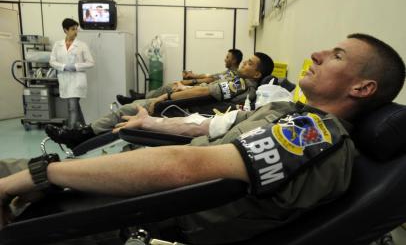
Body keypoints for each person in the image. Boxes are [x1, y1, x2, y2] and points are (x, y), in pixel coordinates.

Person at [1, 34, 404, 244]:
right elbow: (205, 137)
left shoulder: (313, 136)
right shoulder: (292, 114)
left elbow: (185, 170)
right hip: (134, 192)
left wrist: (47, 173)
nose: (315, 54)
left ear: (363, 88)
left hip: (137, 213)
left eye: (336, 55)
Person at [45, 52, 274, 149]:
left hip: (180, 109)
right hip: (185, 106)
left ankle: (82, 135)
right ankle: (89, 132)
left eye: (250, 64)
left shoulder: (240, 83)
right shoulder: (240, 80)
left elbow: (202, 94)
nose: (244, 64)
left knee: (126, 109)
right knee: (137, 104)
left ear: (256, 74)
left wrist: (167, 98)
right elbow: (206, 85)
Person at [117, 49, 244, 104]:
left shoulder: (232, 74)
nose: (224, 59)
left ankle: (138, 99)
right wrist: (193, 76)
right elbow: (209, 75)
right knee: (170, 86)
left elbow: (210, 80)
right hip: (199, 87)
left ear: (233, 61)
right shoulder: (227, 72)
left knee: (169, 87)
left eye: (227, 57)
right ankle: (140, 97)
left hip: (199, 91)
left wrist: (190, 81)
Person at [49, 18, 95, 129]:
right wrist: (64, 67)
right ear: (65, 30)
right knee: (75, 107)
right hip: (65, 79)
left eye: (76, 29)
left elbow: (91, 62)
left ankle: (70, 131)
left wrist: (75, 66)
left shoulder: (82, 45)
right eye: (73, 29)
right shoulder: (57, 45)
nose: (75, 32)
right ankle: (85, 128)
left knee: (72, 107)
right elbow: (52, 61)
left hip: (77, 80)